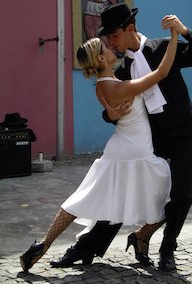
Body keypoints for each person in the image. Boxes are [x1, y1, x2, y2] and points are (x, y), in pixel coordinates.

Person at [51, 3, 192, 271]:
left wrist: (183, 30)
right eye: (107, 39)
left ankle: (166, 249)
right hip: (152, 142)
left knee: (183, 195)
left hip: (185, 133)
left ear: (130, 29)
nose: (111, 42)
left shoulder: (163, 47)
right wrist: (111, 114)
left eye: (113, 35)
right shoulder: (122, 69)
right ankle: (84, 248)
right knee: (123, 197)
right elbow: (113, 104)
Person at [19, 20, 178, 272]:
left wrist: (113, 114)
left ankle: (42, 245)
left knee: (83, 200)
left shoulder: (103, 86)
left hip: (121, 151)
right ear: (101, 60)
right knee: (172, 198)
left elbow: (114, 111)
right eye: (104, 48)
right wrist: (174, 36)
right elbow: (160, 74)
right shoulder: (117, 86)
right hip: (135, 153)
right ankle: (139, 236)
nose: (110, 48)